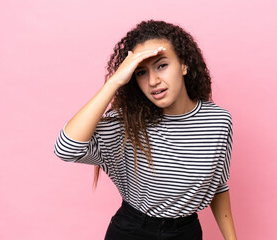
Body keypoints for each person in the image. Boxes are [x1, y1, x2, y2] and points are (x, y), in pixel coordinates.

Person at [54, 19, 237, 240]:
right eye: (141, 72)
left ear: (184, 65)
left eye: (162, 65)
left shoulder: (218, 121)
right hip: (131, 231)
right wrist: (114, 82)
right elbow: (66, 149)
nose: (153, 81)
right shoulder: (126, 124)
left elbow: (218, 185)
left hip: (186, 233)